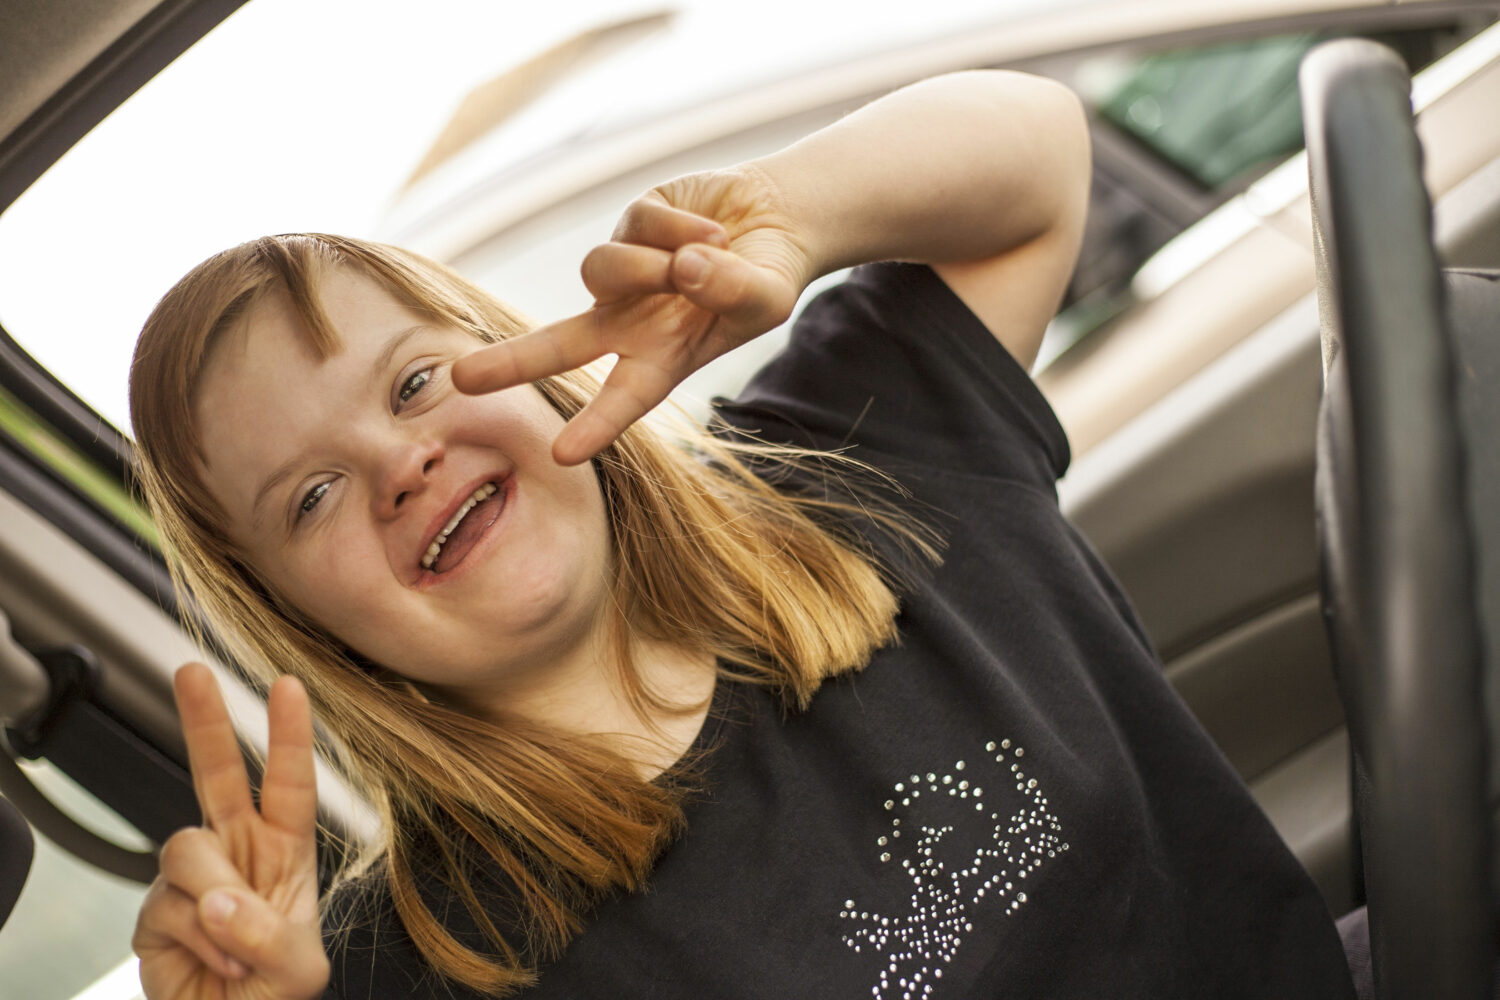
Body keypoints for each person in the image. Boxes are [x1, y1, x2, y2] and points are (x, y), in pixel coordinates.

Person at [128, 70, 1356, 999]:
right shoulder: (410, 964)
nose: (400, 464)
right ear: (291, 613)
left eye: (412, 384)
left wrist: (787, 213)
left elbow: (1037, 157)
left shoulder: (855, 459)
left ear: (532, 364)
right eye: (311, 496)